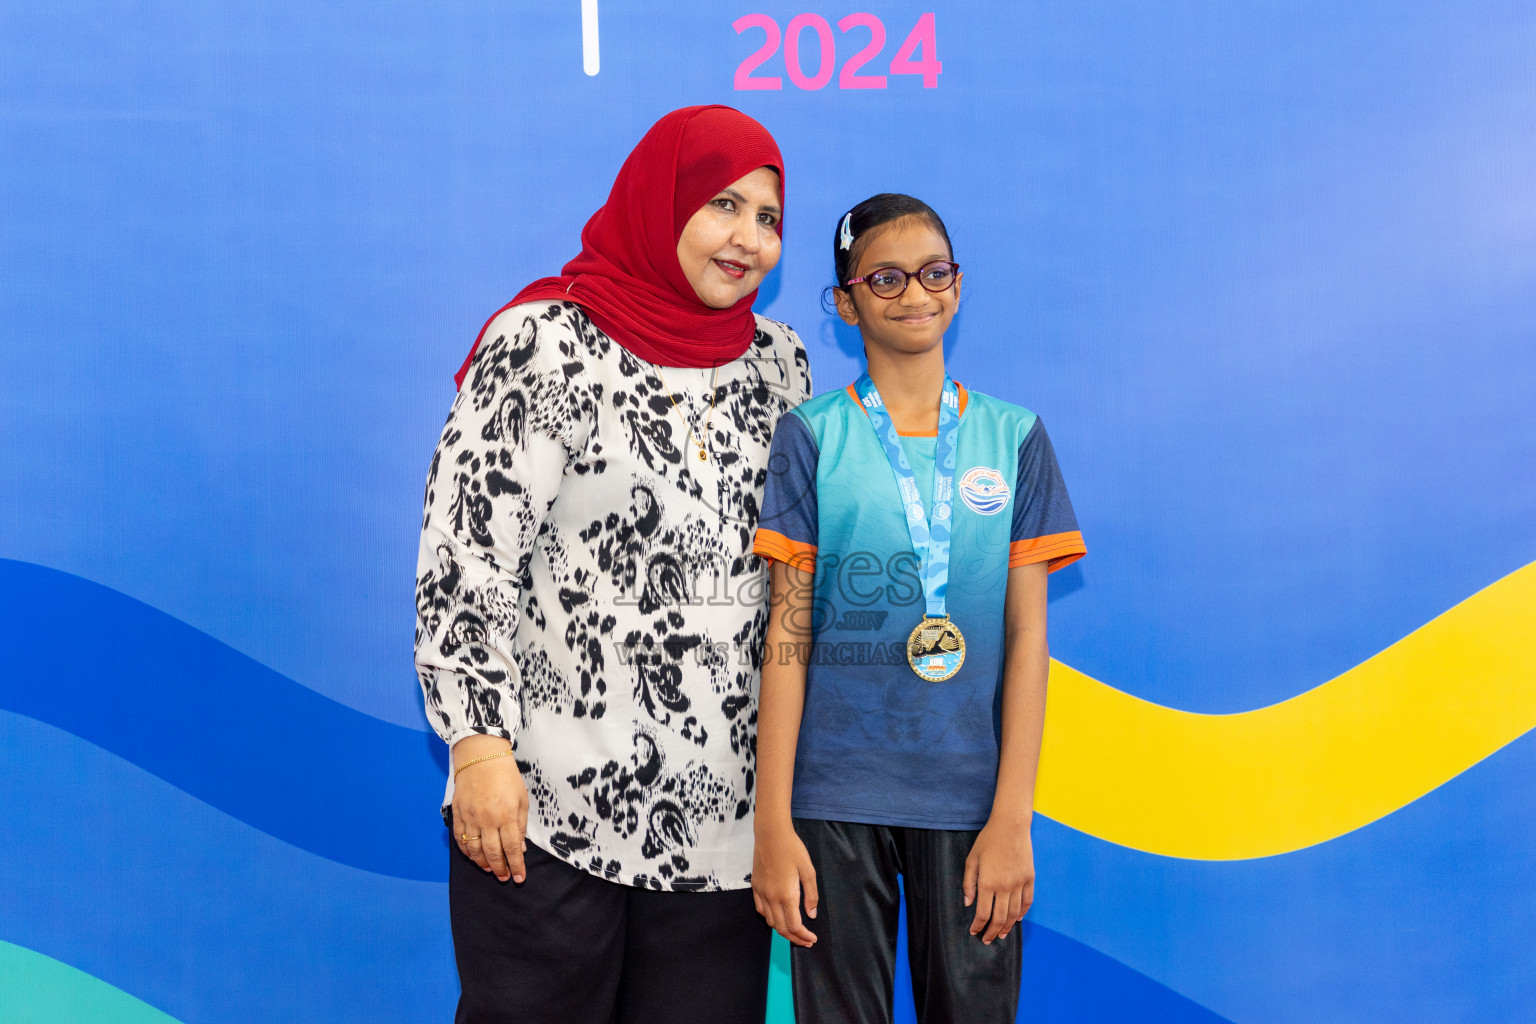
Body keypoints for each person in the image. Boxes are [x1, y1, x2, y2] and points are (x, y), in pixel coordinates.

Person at [413, 105, 811, 1024]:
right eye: (723, 204)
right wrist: (477, 747)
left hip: (723, 837)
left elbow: (793, 588)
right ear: (660, 201)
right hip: (547, 817)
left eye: (769, 218)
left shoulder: (781, 367)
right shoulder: (550, 342)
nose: (748, 238)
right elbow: (465, 556)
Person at [750, 193, 1086, 1024]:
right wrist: (772, 823)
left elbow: (1026, 636)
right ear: (845, 302)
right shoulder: (812, 435)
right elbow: (786, 641)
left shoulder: (1015, 437)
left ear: (959, 286)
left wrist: (1013, 817)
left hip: (971, 808)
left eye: (934, 272)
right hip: (830, 806)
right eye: (887, 278)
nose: (915, 294)